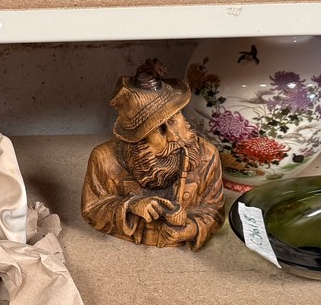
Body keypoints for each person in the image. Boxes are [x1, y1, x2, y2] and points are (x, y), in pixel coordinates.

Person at [81, 59, 225, 249]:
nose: (173, 136)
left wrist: (192, 229)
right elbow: (92, 208)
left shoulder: (207, 155)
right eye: (158, 130)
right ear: (137, 139)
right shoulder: (105, 159)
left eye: (174, 119)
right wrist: (130, 206)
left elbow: (214, 209)